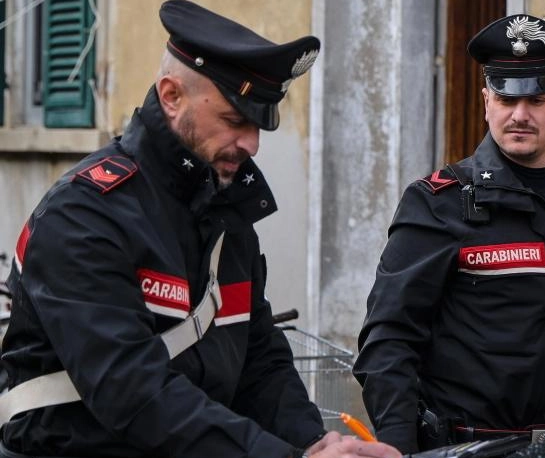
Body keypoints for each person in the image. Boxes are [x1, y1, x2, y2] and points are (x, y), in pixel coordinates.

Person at [0, 2, 401, 458]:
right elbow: (132, 390)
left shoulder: (223, 202)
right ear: (171, 96)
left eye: (259, 125)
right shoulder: (84, 214)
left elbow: (258, 355)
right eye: (235, 120)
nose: (251, 143)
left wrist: (311, 440)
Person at [353, 14, 545, 453]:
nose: (519, 115)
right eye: (506, 99)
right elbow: (389, 339)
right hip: (467, 448)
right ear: (487, 102)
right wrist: (398, 446)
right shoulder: (438, 203)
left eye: (538, 99)